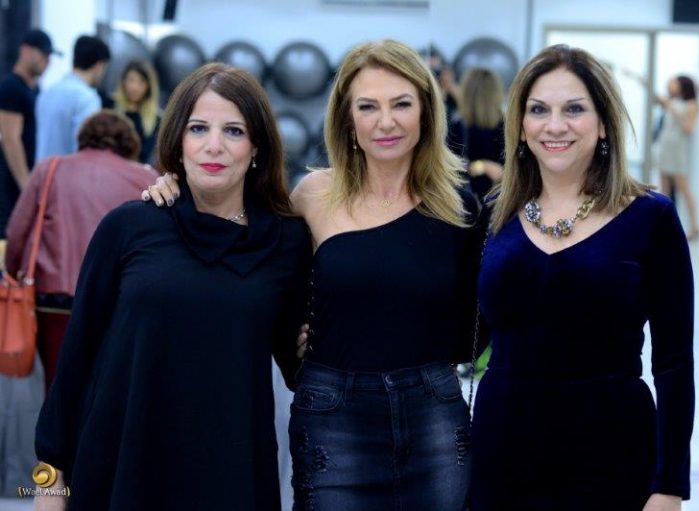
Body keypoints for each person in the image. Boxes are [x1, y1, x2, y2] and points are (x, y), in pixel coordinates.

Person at [146, 39, 481, 511]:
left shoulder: (459, 207)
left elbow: (476, 318)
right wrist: (177, 189)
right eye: (368, 106)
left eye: (401, 104)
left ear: (426, 112)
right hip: (335, 418)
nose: (385, 121)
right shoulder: (313, 195)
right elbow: (242, 247)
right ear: (347, 118)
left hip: (434, 417)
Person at [32, 63, 311, 511]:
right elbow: (76, 359)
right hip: (121, 465)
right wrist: (48, 482)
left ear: (257, 145)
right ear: (178, 140)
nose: (214, 145)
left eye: (234, 131)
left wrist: (311, 344)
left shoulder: (286, 241)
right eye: (198, 128)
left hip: (229, 473)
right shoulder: (128, 227)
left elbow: (297, 364)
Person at [471, 44, 694, 511]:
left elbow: (674, 363)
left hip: (614, 456)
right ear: (521, 126)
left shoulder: (650, 218)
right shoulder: (494, 214)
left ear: (604, 123)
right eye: (539, 110)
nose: (555, 125)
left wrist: (670, 484)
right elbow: (465, 336)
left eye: (574, 109)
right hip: (503, 453)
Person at [5, 110, 158, 390]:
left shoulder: (50, 169)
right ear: (129, 144)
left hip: (53, 296)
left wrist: (14, 273)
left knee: (57, 380)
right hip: (116, 298)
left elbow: (17, 231)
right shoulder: (145, 179)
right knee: (106, 382)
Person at [0, 29, 57, 237]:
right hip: (10, 185)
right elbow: (10, 140)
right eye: (43, 54)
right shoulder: (11, 87)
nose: (47, 61)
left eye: (49, 56)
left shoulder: (35, 90)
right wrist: (27, 187)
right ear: (25, 50)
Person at [35, 35, 110, 161]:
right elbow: (85, 149)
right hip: (68, 172)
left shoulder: (48, 92)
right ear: (98, 66)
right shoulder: (87, 98)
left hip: (43, 171)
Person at [448, 67, 505, 200]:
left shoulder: (456, 126)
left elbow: (451, 167)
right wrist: (484, 166)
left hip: (464, 200)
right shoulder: (506, 127)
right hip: (498, 199)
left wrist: (478, 166)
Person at [655, 75, 699, 240]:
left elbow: (689, 128)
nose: (671, 85)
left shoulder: (692, 105)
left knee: (684, 188)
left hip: (678, 150)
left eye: (674, 83)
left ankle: (695, 227)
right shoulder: (672, 101)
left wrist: (671, 106)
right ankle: (664, 226)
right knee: (664, 189)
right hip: (665, 147)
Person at [112, 59, 161, 164]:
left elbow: (145, 156)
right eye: (131, 80)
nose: (135, 87)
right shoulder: (110, 106)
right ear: (123, 81)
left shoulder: (156, 119)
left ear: (149, 86)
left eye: (141, 82)